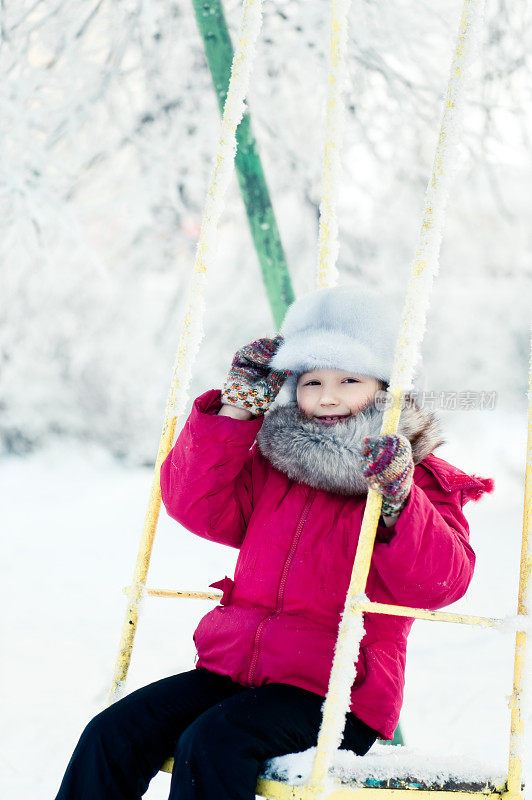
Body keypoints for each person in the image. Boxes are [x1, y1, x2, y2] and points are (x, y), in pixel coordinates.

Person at [53, 285, 494, 800]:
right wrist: (239, 411)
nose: (327, 396)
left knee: (213, 742)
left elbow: (441, 582)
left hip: (333, 693)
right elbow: (197, 506)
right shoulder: (276, 463)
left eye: (349, 379)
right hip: (234, 671)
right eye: (311, 382)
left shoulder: (418, 477)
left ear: (384, 387)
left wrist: (399, 502)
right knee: (112, 732)